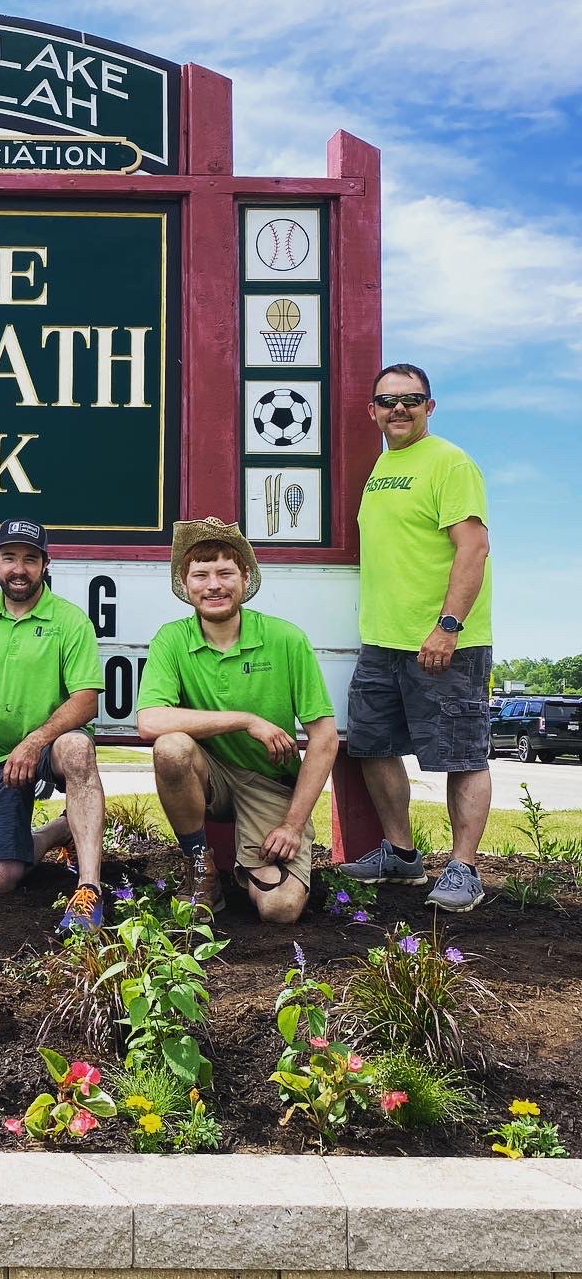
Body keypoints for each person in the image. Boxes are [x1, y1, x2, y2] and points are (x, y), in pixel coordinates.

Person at [338, 363, 493, 913]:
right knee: (372, 744)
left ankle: (464, 867)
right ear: (372, 410)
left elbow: (473, 548)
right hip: (383, 641)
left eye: (411, 399)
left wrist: (447, 626)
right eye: (388, 400)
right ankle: (402, 854)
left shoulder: (449, 462)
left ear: (430, 406)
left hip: (445, 641)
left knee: (462, 755)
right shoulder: (383, 466)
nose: (398, 409)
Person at [136, 518, 338, 923]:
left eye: (225, 572)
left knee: (280, 910)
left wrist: (293, 825)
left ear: (245, 577)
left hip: (268, 780)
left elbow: (325, 738)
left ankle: (252, 867)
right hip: (210, 775)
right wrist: (245, 719)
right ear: (185, 583)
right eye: (201, 575)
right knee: (171, 748)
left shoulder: (286, 638)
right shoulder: (171, 639)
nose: (214, 585)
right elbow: (151, 721)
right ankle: (201, 870)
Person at [0, 518, 109, 935]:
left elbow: (87, 700)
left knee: (78, 749)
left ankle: (88, 888)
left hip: (50, 747)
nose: (19, 568)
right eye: (9, 558)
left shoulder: (71, 620)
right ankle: (60, 830)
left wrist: (35, 740)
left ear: (45, 564)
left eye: (30, 559)